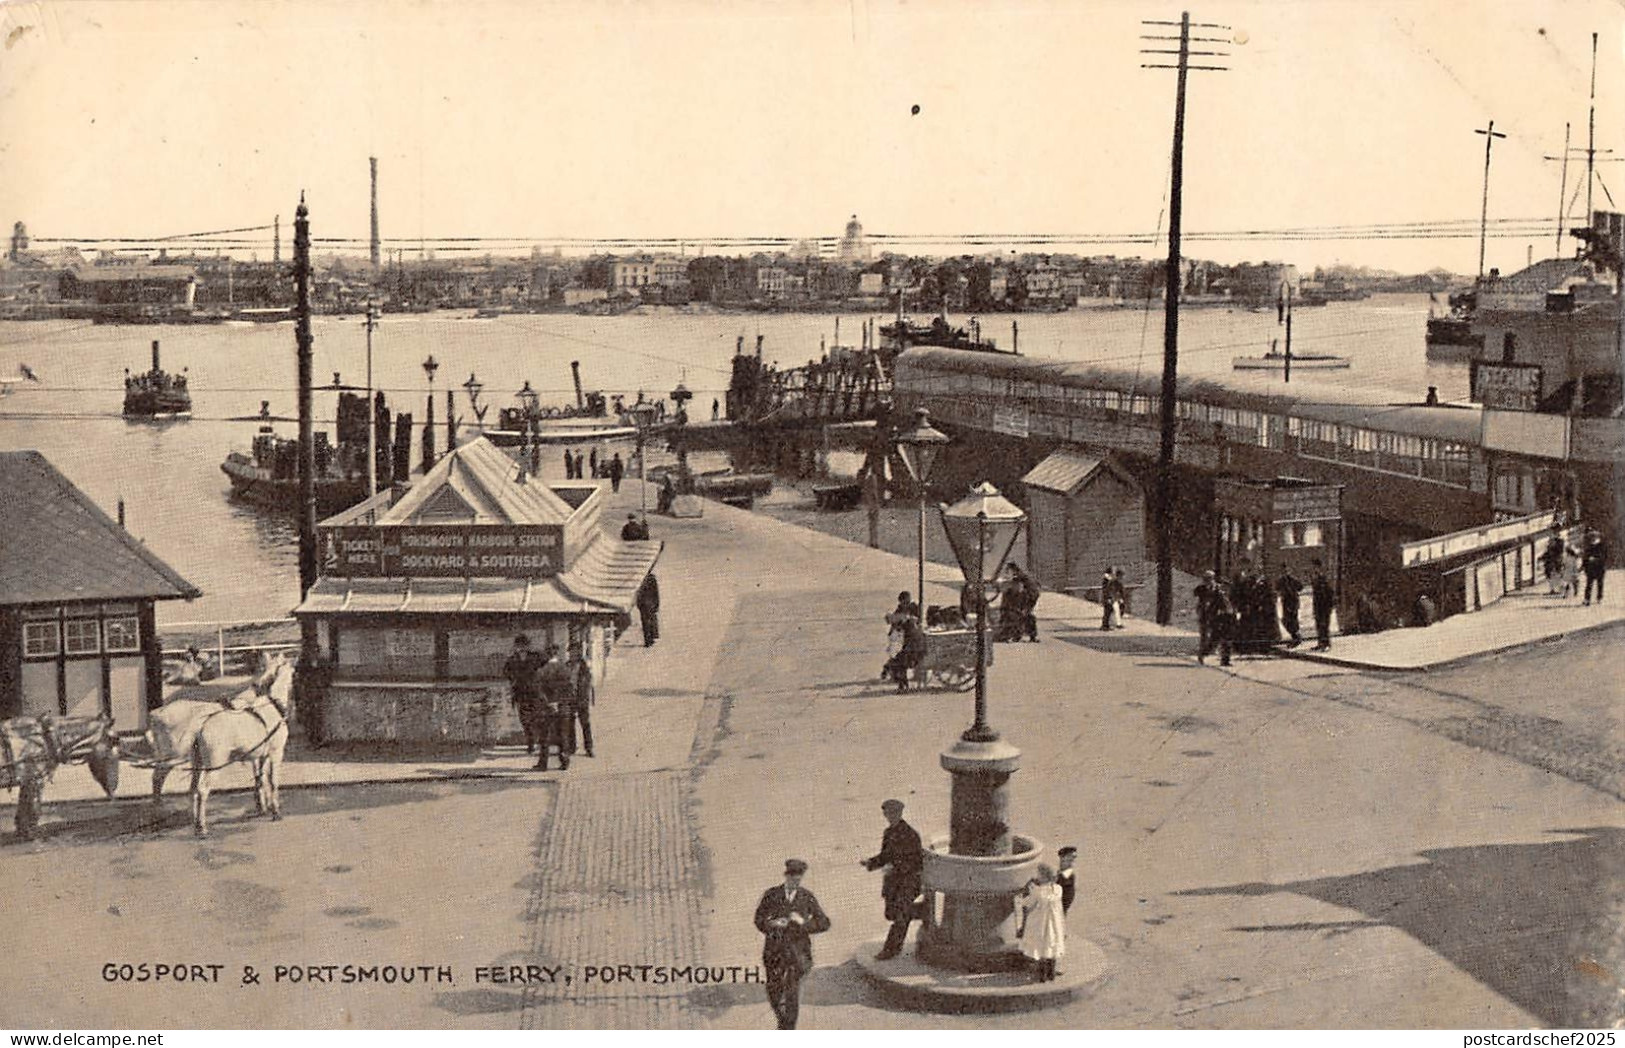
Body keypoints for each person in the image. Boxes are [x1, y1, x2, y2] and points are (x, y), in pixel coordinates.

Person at [754, 859, 831, 1030]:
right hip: (774, 950)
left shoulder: (807, 897)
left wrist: (803, 923)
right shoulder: (771, 895)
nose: (795, 883)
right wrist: (772, 924)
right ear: (786, 876)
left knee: (792, 992)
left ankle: (788, 1029)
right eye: (792, 879)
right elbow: (758, 919)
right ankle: (783, 1021)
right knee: (774, 990)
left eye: (798, 880)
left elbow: (824, 923)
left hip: (798, 952)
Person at [861, 799, 924, 960]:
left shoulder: (911, 834)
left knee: (900, 916)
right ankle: (921, 911)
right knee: (891, 914)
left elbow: (916, 862)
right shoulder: (888, 832)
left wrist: (896, 868)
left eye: (892, 814)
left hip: (907, 882)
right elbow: (885, 855)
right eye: (887, 814)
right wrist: (871, 862)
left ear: (900, 813)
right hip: (892, 882)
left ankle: (891, 949)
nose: (889, 817)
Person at [1018, 864, 1066, 982]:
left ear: (1043, 876)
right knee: (1051, 944)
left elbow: (1027, 904)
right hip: (1054, 923)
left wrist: (1024, 894)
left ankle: (1042, 975)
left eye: (1039, 874)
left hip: (1040, 924)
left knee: (1040, 945)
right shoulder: (1058, 889)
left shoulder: (1038, 892)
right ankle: (1051, 973)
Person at [503, 635, 545, 757]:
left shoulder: (535, 657)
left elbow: (545, 664)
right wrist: (513, 679)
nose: (521, 648)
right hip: (520, 693)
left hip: (534, 693)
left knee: (535, 719)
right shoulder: (512, 659)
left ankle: (537, 743)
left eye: (523, 645)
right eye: (518, 645)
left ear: (527, 646)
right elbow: (506, 671)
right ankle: (531, 743)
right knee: (524, 720)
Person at [535, 646, 574, 771]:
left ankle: (543, 764)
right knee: (563, 734)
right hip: (563, 707)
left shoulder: (541, 671)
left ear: (547, 655)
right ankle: (565, 761)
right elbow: (570, 690)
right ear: (557, 654)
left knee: (544, 735)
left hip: (547, 708)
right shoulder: (566, 669)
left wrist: (550, 703)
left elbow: (539, 692)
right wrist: (561, 703)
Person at [566, 647, 594, 758]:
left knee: (585, 723)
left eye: (574, 653)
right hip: (570, 698)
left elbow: (587, 684)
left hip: (581, 699)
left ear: (578, 654)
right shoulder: (566, 666)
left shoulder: (584, 667)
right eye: (570, 652)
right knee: (570, 723)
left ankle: (589, 747)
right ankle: (572, 747)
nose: (571, 655)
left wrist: (585, 697)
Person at [885, 614, 926, 692]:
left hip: (914, 655)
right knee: (898, 661)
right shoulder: (916, 630)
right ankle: (903, 685)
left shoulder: (909, 632)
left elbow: (907, 646)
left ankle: (903, 685)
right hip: (918, 653)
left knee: (898, 663)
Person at [884, 592, 918, 669]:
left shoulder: (913, 607)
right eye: (902, 602)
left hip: (911, 634)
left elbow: (917, 619)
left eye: (905, 602)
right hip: (903, 635)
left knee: (904, 652)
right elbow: (894, 621)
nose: (903, 604)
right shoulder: (900, 608)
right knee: (897, 651)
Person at [1194, 570, 1219, 663]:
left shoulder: (1217, 588)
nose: (1208, 580)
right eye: (1206, 578)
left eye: (1210, 578)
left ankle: (1210, 649)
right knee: (1204, 635)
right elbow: (1196, 595)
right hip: (1204, 613)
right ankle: (1201, 654)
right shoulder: (1200, 588)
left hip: (1214, 613)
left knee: (1215, 633)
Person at [1310, 559, 1336, 651]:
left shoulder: (1324, 578)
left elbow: (1330, 592)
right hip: (1318, 605)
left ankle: (1326, 644)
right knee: (1319, 625)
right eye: (1313, 567)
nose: (1314, 569)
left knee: (1324, 625)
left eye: (1315, 567)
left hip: (1324, 606)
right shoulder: (1315, 578)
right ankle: (1320, 643)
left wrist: (1330, 605)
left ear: (1319, 567)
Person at [1277, 567, 1304, 648]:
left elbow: (1300, 587)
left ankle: (1296, 638)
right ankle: (1295, 636)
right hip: (1285, 602)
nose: (1285, 572)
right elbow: (1276, 588)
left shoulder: (1293, 580)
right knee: (1285, 620)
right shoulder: (1281, 580)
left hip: (1293, 602)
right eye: (1283, 571)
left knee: (1293, 620)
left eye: (1286, 571)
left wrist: (1293, 590)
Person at [1583, 528, 1609, 604]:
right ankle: (1587, 599)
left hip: (1600, 568)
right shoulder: (1589, 547)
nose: (1593, 538)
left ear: (1598, 537)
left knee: (1600, 583)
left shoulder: (1602, 546)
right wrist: (1585, 566)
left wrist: (1595, 559)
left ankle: (1599, 598)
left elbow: (1604, 556)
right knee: (1589, 584)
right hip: (1591, 568)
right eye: (1592, 537)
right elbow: (1585, 557)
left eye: (1595, 537)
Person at [636, 573, 661, 646]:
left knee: (645, 622)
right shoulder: (651, 578)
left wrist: (638, 603)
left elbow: (638, 593)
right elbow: (656, 592)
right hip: (650, 603)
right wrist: (657, 604)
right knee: (650, 620)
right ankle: (651, 638)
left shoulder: (639, 578)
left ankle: (648, 640)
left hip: (644, 604)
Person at [1056, 846, 1078, 915]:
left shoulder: (1067, 876)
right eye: (1070, 860)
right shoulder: (1061, 874)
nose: (1072, 863)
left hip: (1058, 909)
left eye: (1072, 860)